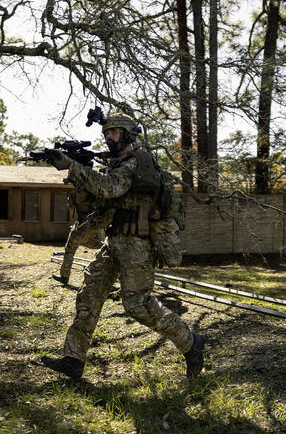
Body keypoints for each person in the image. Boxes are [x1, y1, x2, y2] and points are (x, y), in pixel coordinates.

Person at [41, 114, 204, 380]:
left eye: (115, 132)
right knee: (88, 297)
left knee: (138, 305)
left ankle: (190, 342)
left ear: (129, 134)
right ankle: (73, 359)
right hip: (114, 242)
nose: (109, 137)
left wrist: (72, 166)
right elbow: (99, 199)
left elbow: (109, 189)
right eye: (107, 133)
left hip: (137, 246)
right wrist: (79, 171)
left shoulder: (136, 162)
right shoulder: (116, 164)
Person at [53, 185, 112, 285]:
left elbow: (70, 207)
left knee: (70, 248)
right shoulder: (96, 188)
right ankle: (107, 247)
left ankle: (64, 276)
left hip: (83, 224)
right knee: (88, 242)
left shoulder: (79, 191)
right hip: (93, 224)